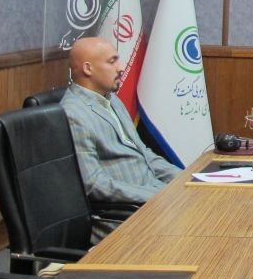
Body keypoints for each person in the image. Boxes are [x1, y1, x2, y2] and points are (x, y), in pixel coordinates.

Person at [61, 37, 180, 220]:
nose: (121, 67)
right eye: (112, 61)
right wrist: (158, 195)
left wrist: (185, 179)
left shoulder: (112, 100)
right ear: (88, 69)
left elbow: (144, 154)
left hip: (154, 198)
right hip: (127, 213)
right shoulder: (73, 114)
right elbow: (94, 184)